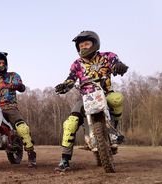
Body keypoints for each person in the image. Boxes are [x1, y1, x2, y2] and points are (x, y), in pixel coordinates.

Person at [54, 30, 128, 172]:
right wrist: (65, 85)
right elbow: (71, 78)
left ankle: (114, 129)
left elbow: (115, 63)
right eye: (81, 45)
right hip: (86, 97)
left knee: (117, 99)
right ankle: (64, 159)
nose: (84, 47)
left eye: (87, 44)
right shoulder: (77, 64)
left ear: (95, 44)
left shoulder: (107, 56)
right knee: (70, 123)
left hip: (105, 93)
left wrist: (119, 66)